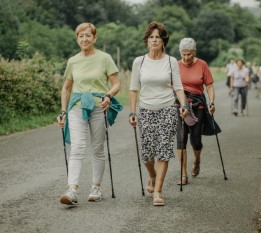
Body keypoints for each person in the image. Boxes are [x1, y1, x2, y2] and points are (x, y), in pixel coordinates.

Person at [57, 22, 123, 206]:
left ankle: (96, 187)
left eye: (88, 35)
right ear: (77, 38)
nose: (84, 39)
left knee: (97, 148)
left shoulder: (105, 58)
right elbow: (66, 88)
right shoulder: (73, 61)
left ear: (94, 38)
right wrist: (63, 111)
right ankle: (72, 190)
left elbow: (117, 84)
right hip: (76, 106)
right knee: (77, 147)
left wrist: (109, 95)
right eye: (80, 36)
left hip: (98, 106)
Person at [129, 21, 188, 206]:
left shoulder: (171, 61)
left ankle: (158, 191)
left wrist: (184, 105)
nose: (154, 40)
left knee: (163, 150)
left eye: (158, 37)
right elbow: (133, 89)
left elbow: (178, 87)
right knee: (146, 154)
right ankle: (152, 176)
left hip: (168, 109)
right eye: (151, 37)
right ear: (147, 41)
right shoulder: (140, 61)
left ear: (163, 41)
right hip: (146, 110)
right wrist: (132, 112)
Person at [176, 38, 215, 185]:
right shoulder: (176, 65)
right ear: (180, 53)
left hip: (197, 106)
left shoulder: (202, 65)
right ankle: (183, 174)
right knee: (181, 140)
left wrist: (211, 102)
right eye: (183, 54)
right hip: (180, 105)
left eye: (189, 55)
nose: (186, 58)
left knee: (196, 141)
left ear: (195, 52)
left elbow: (209, 87)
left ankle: (197, 160)